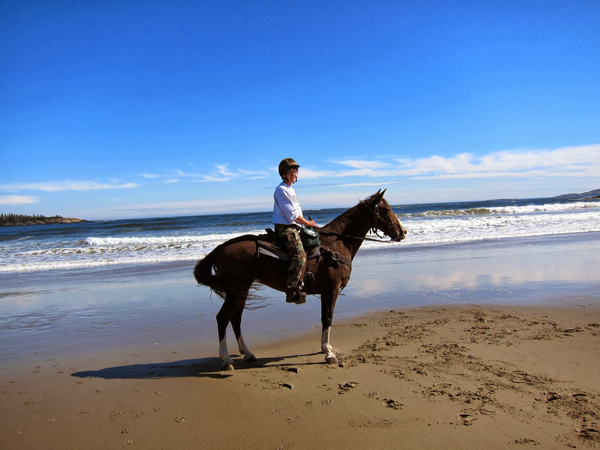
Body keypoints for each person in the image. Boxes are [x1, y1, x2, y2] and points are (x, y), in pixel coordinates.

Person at [273, 158, 318, 304]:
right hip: (285, 229)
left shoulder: (291, 189)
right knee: (299, 255)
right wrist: (307, 222)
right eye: (291, 172)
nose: (294, 174)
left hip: (295, 227)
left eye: (295, 172)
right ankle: (292, 289)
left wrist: (305, 225)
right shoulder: (282, 190)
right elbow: (291, 215)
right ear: (283, 174)